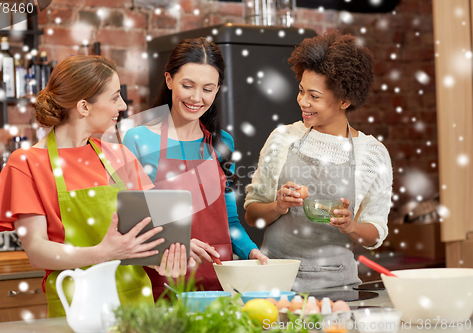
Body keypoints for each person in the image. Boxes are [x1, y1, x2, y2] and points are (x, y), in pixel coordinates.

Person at [0, 55, 187, 317]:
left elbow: (153, 231)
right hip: (77, 309)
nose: (122, 105)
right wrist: (101, 253)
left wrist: (173, 250)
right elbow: (37, 251)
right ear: (84, 107)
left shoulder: (121, 155)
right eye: (114, 97)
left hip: (137, 308)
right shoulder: (26, 163)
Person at [244, 31, 393, 291]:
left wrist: (350, 226)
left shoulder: (372, 153)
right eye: (301, 91)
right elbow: (251, 214)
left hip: (338, 286)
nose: (303, 101)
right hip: (275, 281)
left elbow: (375, 233)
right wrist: (278, 206)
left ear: (345, 100)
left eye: (314, 96)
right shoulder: (282, 139)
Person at [123, 37, 268, 299]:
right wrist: (174, 240)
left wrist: (250, 251)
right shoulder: (138, 140)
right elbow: (134, 224)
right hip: (163, 283)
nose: (196, 98)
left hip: (219, 283)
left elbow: (229, 219)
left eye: (207, 89)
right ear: (169, 80)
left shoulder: (223, 142)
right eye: (187, 85)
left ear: (217, 89)